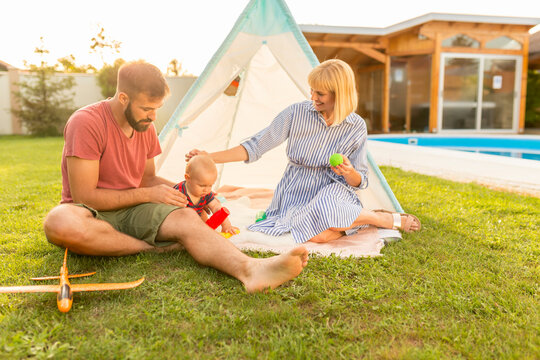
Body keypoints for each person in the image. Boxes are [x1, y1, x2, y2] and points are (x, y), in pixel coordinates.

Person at [42, 60, 308, 293]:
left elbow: (148, 178)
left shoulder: (144, 126)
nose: (153, 117)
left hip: (133, 210)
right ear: (123, 98)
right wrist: (147, 194)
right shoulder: (86, 123)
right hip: (90, 212)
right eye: (147, 108)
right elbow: (85, 196)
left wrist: (193, 193)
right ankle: (155, 248)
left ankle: (251, 270)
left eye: (157, 108)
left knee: (185, 215)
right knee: (59, 222)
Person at [186, 59, 421, 244]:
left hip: (333, 190)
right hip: (296, 191)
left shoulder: (356, 126)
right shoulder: (295, 113)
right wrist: (209, 156)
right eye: (312, 91)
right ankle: (362, 218)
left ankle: (382, 219)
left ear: (339, 95)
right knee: (317, 236)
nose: (313, 98)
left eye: (320, 94)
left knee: (328, 208)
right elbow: (255, 146)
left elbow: (360, 180)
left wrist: (348, 172)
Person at [174, 155, 238, 235]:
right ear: (187, 178)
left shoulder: (205, 193)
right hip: (179, 220)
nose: (207, 189)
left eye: (210, 185)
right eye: (202, 185)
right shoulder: (179, 193)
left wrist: (226, 225)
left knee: (203, 213)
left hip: (195, 217)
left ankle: (204, 230)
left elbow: (216, 207)